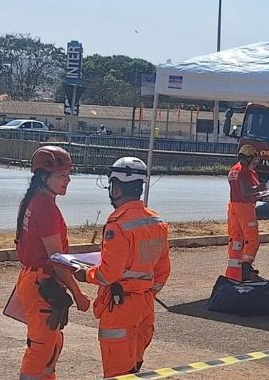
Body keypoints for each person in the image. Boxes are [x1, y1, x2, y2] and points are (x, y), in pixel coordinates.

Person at [74, 157, 171, 377]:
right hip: (145, 303)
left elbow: (107, 274)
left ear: (115, 187)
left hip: (120, 306)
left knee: (117, 372)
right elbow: (163, 271)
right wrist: (145, 291)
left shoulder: (118, 225)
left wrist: (84, 274)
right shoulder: (157, 222)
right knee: (133, 368)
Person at [14, 146, 90, 380]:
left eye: (68, 175)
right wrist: (79, 295)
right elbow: (57, 261)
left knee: (50, 346)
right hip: (42, 285)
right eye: (61, 176)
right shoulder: (45, 207)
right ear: (44, 177)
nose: (67, 180)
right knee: (41, 350)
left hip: (35, 281)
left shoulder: (35, 200)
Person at [226, 145, 267, 280]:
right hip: (245, 207)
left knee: (236, 237)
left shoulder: (234, 170)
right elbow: (247, 191)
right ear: (249, 158)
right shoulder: (245, 171)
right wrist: (262, 187)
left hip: (234, 205)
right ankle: (245, 267)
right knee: (251, 238)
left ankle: (234, 266)